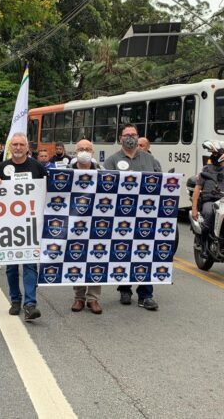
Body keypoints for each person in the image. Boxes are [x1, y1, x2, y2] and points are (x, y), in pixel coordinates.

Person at [0, 133, 47, 321]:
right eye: (14, 144)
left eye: (21, 144)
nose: (17, 147)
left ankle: (30, 304)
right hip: (8, 225)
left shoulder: (37, 167)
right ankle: (15, 300)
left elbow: (48, 190)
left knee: (30, 265)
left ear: (27, 147)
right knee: (11, 267)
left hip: (30, 225)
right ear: (10, 147)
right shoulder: (2, 167)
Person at [104, 124, 160, 310]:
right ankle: (125, 288)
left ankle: (146, 294)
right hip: (121, 218)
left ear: (138, 137)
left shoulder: (150, 159)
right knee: (123, 253)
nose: (130, 137)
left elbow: (160, 184)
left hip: (146, 217)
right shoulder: (112, 161)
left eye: (133, 135)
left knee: (145, 254)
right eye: (126, 135)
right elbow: (105, 189)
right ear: (120, 138)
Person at [70, 139, 103, 314]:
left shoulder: (101, 172)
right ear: (75, 153)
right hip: (75, 222)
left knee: (95, 258)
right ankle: (79, 298)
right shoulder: (68, 172)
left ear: (93, 153)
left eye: (88, 149)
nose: (84, 151)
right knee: (77, 257)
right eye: (81, 149)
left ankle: (93, 299)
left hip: (96, 222)